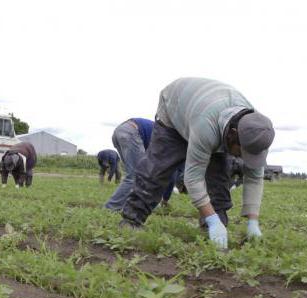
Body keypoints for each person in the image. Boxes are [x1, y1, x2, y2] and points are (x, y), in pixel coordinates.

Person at [120, 77, 275, 249]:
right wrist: (212, 218)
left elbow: (254, 178)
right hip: (175, 108)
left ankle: (211, 230)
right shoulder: (206, 127)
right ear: (232, 134)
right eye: (242, 152)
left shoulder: (257, 134)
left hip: (209, 111)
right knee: (159, 167)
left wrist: (253, 222)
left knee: (218, 178)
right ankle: (132, 220)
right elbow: (193, 177)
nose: (244, 158)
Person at [104, 118, 179, 211]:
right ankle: (110, 208)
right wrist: (165, 200)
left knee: (133, 175)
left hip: (120, 131)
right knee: (136, 176)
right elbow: (172, 175)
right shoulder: (173, 144)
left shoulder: (165, 137)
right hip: (132, 132)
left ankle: (128, 205)